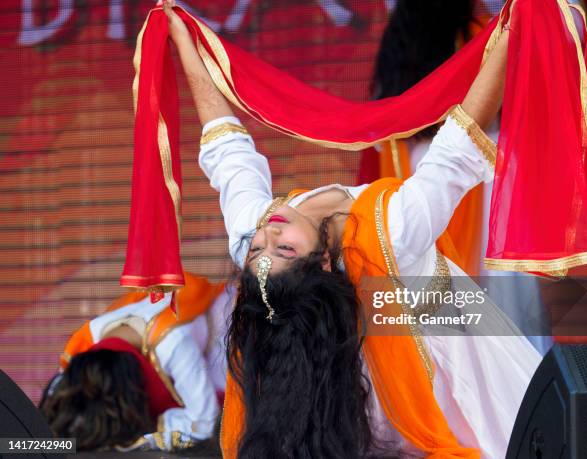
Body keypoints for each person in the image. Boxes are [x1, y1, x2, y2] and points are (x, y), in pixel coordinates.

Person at [163, 0, 541, 457]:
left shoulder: (256, 233)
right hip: (459, 369)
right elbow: (461, 141)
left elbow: (226, 147)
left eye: (259, 245)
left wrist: (184, 41)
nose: (268, 230)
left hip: (391, 352)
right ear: (322, 260)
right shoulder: (394, 232)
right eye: (282, 248)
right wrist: (519, 20)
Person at [361, 0, 553, 354]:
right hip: (483, 174)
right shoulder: (483, 35)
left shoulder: (396, 51)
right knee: (502, 314)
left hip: (421, 172)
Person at [40, 272, 233, 452]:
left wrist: (142, 435)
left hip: (229, 331)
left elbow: (204, 422)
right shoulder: (86, 345)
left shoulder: (172, 344)